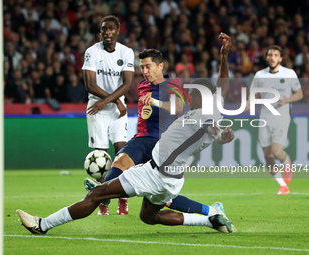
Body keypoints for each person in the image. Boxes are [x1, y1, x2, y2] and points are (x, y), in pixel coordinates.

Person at [16, 33, 237, 235]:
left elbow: (213, 131)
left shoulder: (204, 117)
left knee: (96, 195)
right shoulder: (211, 106)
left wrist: (221, 137)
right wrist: (224, 56)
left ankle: (42, 225)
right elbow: (223, 84)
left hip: (156, 173)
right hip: (171, 177)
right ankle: (211, 219)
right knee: (148, 216)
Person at [85, 48, 184, 215]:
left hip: (164, 144)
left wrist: (155, 102)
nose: (144, 71)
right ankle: (103, 193)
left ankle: (209, 213)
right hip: (142, 139)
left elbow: (178, 108)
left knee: (163, 199)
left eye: (148, 67)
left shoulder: (173, 85)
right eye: (142, 67)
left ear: (161, 66)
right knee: (120, 161)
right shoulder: (141, 86)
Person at [81, 15, 135, 214]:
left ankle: (122, 196)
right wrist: (112, 101)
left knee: (122, 153)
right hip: (97, 108)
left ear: (118, 32)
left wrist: (111, 101)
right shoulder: (92, 52)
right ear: (101, 32)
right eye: (104, 29)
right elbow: (90, 84)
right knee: (100, 156)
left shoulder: (126, 52)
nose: (107, 32)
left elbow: (128, 84)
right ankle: (103, 200)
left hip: (116, 109)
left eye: (111, 29)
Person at [246, 45, 303, 195]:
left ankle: (286, 162)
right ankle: (282, 185)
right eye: (270, 55)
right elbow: (253, 95)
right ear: (266, 57)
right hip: (265, 118)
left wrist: (287, 100)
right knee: (267, 156)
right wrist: (247, 104)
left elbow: (299, 94)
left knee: (277, 151)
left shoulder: (289, 73)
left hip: (281, 118)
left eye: (276, 55)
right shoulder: (259, 75)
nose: (272, 57)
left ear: (281, 58)